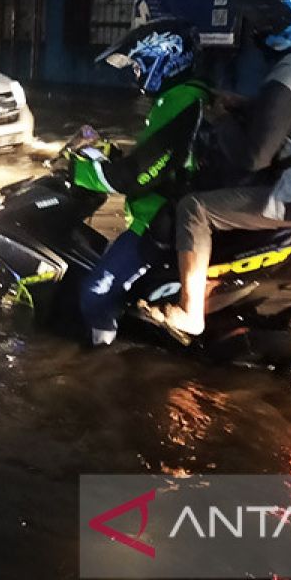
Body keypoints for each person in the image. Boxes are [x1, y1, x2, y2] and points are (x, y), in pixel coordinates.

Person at [164, 0, 291, 337]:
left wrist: (221, 119)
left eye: (272, 18)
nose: (261, 27)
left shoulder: (285, 80)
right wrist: (244, 106)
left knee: (194, 208)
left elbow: (252, 158)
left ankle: (191, 313)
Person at [70, 19, 213, 345]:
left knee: (94, 292)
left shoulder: (180, 101)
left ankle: (101, 357)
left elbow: (140, 174)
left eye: (139, 65)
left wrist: (80, 172)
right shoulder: (190, 95)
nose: (136, 73)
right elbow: (161, 155)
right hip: (172, 210)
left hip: (158, 220)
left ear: (165, 59)